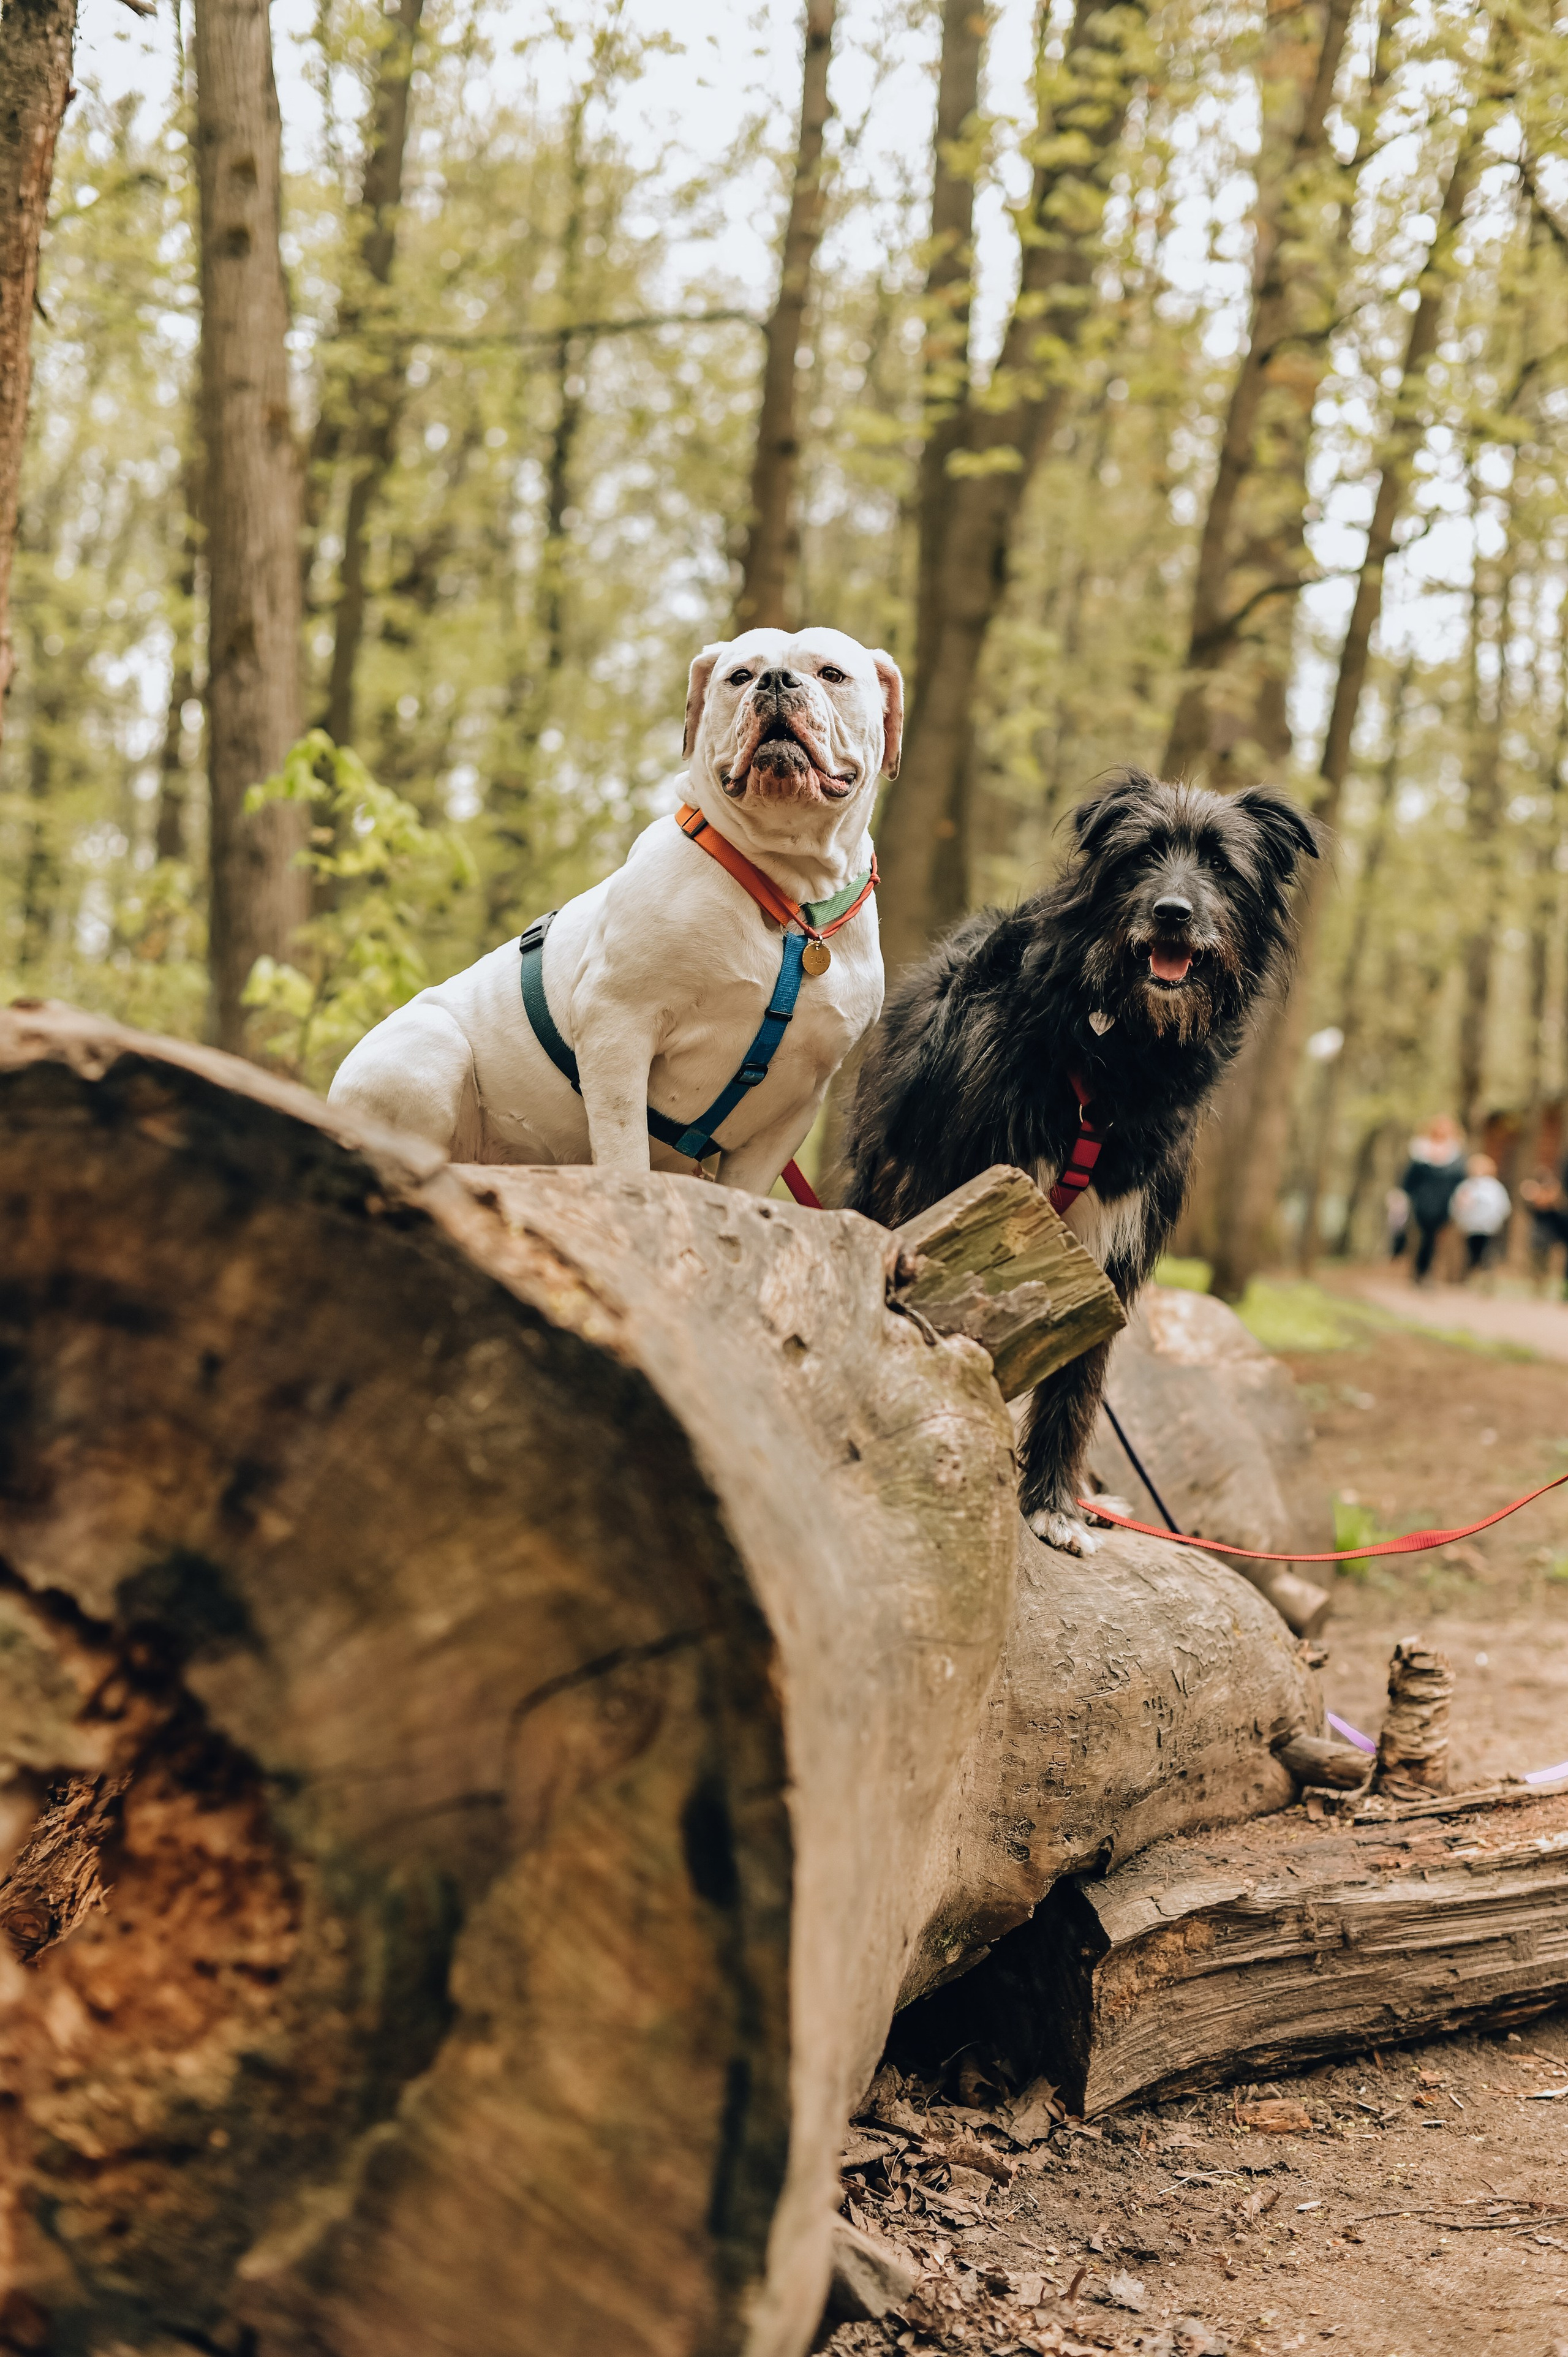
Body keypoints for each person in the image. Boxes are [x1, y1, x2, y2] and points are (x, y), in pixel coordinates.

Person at [1399, 1114, 1467, 1284]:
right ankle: (1418, 1270)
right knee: (1422, 1236)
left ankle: (1429, 1272)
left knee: (1436, 1238)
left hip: (1445, 1203)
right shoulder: (1420, 1152)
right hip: (1422, 1201)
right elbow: (1410, 1179)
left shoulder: (1456, 1155)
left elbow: (1460, 1180)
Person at [1451, 1153, 1510, 1281]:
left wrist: (1497, 1220)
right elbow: (1457, 1205)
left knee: (1487, 1253)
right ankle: (1469, 1276)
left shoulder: (1495, 1187)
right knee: (1470, 1252)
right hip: (1470, 1227)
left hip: (1489, 1227)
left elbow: (1503, 1206)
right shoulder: (1467, 1186)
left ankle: (1484, 1277)